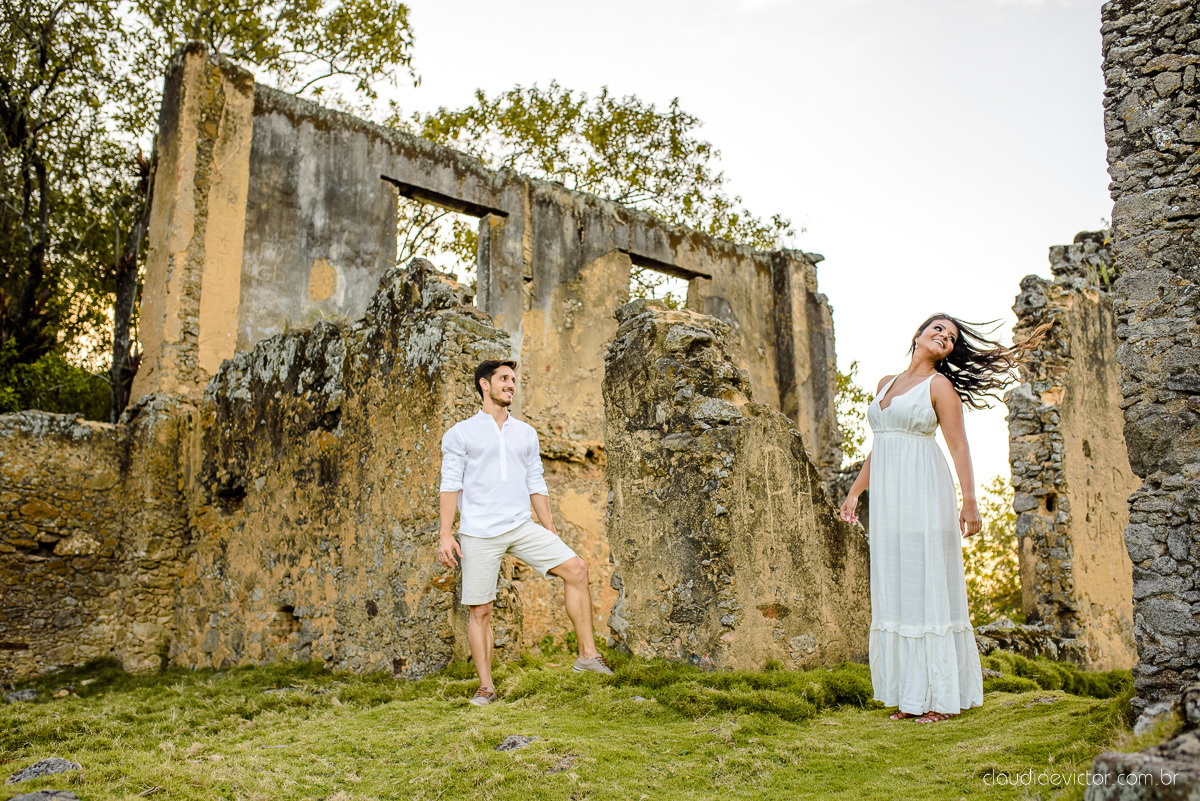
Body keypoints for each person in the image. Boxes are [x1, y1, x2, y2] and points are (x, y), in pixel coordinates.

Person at [838, 314, 1043, 724]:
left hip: (924, 493)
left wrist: (970, 503)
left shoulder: (940, 386)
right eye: (938, 329)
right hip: (889, 502)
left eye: (951, 338)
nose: (944, 337)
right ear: (917, 333)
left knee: (927, 586)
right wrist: (855, 492)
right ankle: (908, 695)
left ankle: (940, 699)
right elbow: (882, 448)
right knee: (896, 588)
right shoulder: (885, 384)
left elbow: (960, 447)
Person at [438, 359, 613, 706]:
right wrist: (446, 535)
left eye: (513, 380)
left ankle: (588, 657)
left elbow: (536, 481)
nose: (510, 385)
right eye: (503, 379)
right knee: (481, 611)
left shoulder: (526, 433)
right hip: (479, 532)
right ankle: (486, 687)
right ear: (484, 385)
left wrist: (548, 527)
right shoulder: (460, 433)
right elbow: (449, 484)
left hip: (521, 525)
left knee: (577, 569)